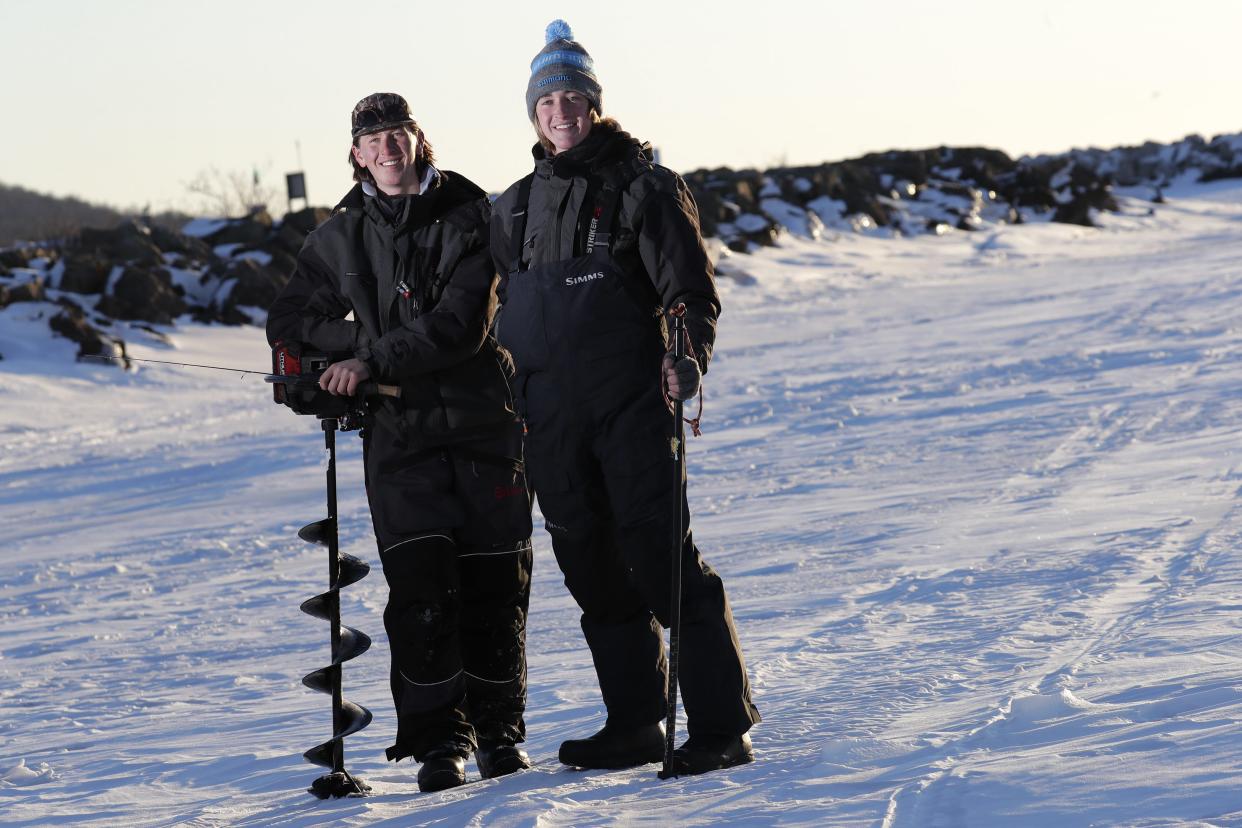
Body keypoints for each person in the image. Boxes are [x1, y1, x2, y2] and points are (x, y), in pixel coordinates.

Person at [490, 21, 761, 776]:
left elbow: (688, 292)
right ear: (533, 114)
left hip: (633, 409)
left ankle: (719, 723)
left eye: (573, 97)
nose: (561, 111)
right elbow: (488, 314)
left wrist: (687, 360)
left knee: (661, 562)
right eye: (548, 101)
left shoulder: (645, 186)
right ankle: (637, 722)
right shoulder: (510, 208)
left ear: (595, 105)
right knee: (592, 570)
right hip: (550, 420)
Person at [267, 92, 534, 793]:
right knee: (420, 595)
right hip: (399, 440)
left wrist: (369, 361)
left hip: (484, 425)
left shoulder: (472, 213)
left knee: (494, 587)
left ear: (420, 139)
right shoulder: (341, 234)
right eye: (372, 139)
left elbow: (459, 323)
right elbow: (290, 319)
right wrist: (343, 357)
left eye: (398, 134)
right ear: (356, 153)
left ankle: (499, 732)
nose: (387, 148)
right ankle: (438, 741)